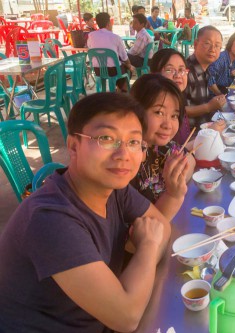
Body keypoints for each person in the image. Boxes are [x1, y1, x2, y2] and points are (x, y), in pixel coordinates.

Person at [0, 92, 170, 331]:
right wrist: (148, 245)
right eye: (106, 138)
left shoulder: (114, 187)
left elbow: (163, 226)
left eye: (133, 142)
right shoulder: (50, 219)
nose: (123, 155)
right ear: (73, 146)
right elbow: (127, 317)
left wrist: (144, 258)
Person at [129, 74, 195, 219]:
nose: (168, 125)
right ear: (136, 111)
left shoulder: (160, 147)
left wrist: (179, 176)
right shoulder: (127, 162)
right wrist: (173, 194)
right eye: (159, 112)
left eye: (174, 116)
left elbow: (190, 157)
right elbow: (147, 227)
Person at [150, 48, 226, 144]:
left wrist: (210, 132)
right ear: (152, 74)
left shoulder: (177, 102)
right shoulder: (153, 105)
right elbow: (172, 152)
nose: (178, 75)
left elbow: (182, 145)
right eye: (169, 70)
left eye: (181, 70)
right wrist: (209, 133)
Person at [185, 25, 227, 129]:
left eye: (217, 46)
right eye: (207, 43)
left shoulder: (205, 70)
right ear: (195, 44)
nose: (212, 49)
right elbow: (179, 111)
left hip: (206, 128)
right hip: (190, 136)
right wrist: (208, 107)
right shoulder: (185, 72)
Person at [88, 12, 133, 92]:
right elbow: (124, 56)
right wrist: (129, 65)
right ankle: (122, 90)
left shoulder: (91, 36)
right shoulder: (115, 37)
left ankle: (115, 90)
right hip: (113, 71)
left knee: (120, 65)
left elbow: (91, 49)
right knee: (126, 69)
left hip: (97, 70)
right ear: (109, 23)